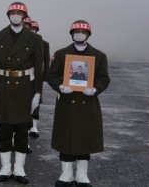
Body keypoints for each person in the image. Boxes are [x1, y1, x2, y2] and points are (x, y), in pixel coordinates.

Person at [47, 20, 110, 187]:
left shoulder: (99, 55)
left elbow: (104, 78)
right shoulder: (61, 54)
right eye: (76, 31)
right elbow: (51, 75)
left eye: (83, 32)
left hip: (87, 104)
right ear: (71, 33)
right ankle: (66, 174)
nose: (79, 34)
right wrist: (60, 86)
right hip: (67, 103)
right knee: (65, 138)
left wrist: (95, 89)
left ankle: (82, 175)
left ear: (88, 34)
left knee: (85, 138)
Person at [0, 2, 43, 184]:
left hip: (24, 87)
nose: (16, 15)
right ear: (8, 15)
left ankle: (19, 168)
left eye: (19, 13)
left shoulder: (34, 39)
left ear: (25, 16)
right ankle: (5, 167)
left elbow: (39, 68)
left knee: (21, 129)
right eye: (13, 12)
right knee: (4, 129)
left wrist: (37, 93)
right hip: (3, 86)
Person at [23, 18, 50, 139]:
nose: (32, 30)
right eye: (31, 28)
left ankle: (34, 126)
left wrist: (45, 79)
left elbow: (46, 62)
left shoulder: (43, 43)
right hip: (24, 75)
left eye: (34, 29)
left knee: (36, 101)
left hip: (37, 75)